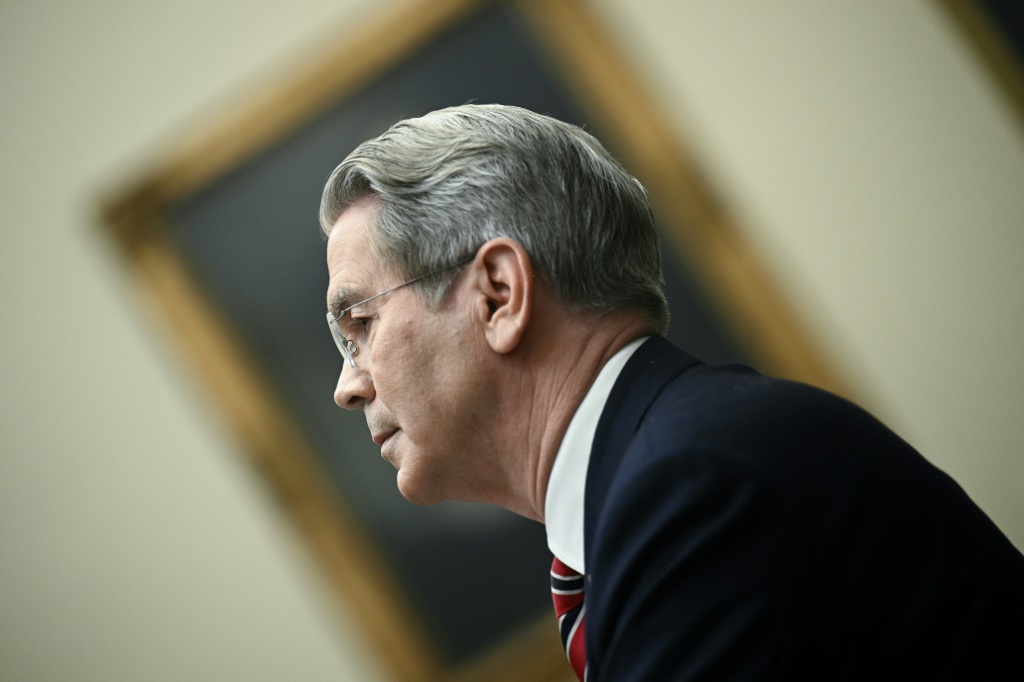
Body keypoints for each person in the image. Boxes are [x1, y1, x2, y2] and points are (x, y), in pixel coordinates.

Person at [319, 104, 1024, 680]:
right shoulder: (673, 465)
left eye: (360, 324)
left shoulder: (694, 485)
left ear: (498, 296)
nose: (348, 387)